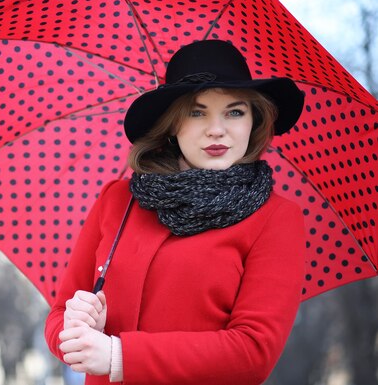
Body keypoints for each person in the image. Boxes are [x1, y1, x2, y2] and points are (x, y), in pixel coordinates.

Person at [44, 39, 307, 385]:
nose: (216, 128)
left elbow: (252, 352)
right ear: (171, 124)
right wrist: (77, 328)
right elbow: (59, 318)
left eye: (235, 111)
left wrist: (117, 355)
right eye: (196, 112)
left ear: (254, 120)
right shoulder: (118, 200)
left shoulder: (277, 219)